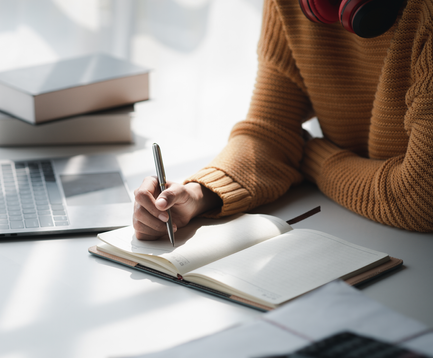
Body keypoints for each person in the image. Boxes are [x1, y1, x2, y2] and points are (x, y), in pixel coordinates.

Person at [133, 0, 433, 238]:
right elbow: (271, 131)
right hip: (364, 230)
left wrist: (314, 156)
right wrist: (198, 195)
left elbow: (420, 195)